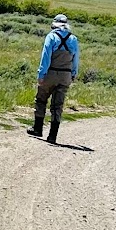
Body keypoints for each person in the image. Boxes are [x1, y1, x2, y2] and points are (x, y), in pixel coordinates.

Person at [29, 13, 80, 142]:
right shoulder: (73, 39)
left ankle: (37, 128)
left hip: (50, 73)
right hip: (65, 75)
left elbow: (45, 57)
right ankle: (53, 135)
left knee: (41, 100)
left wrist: (41, 75)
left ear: (54, 24)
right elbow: (75, 59)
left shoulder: (51, 37)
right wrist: (73, 74)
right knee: (58, 105)